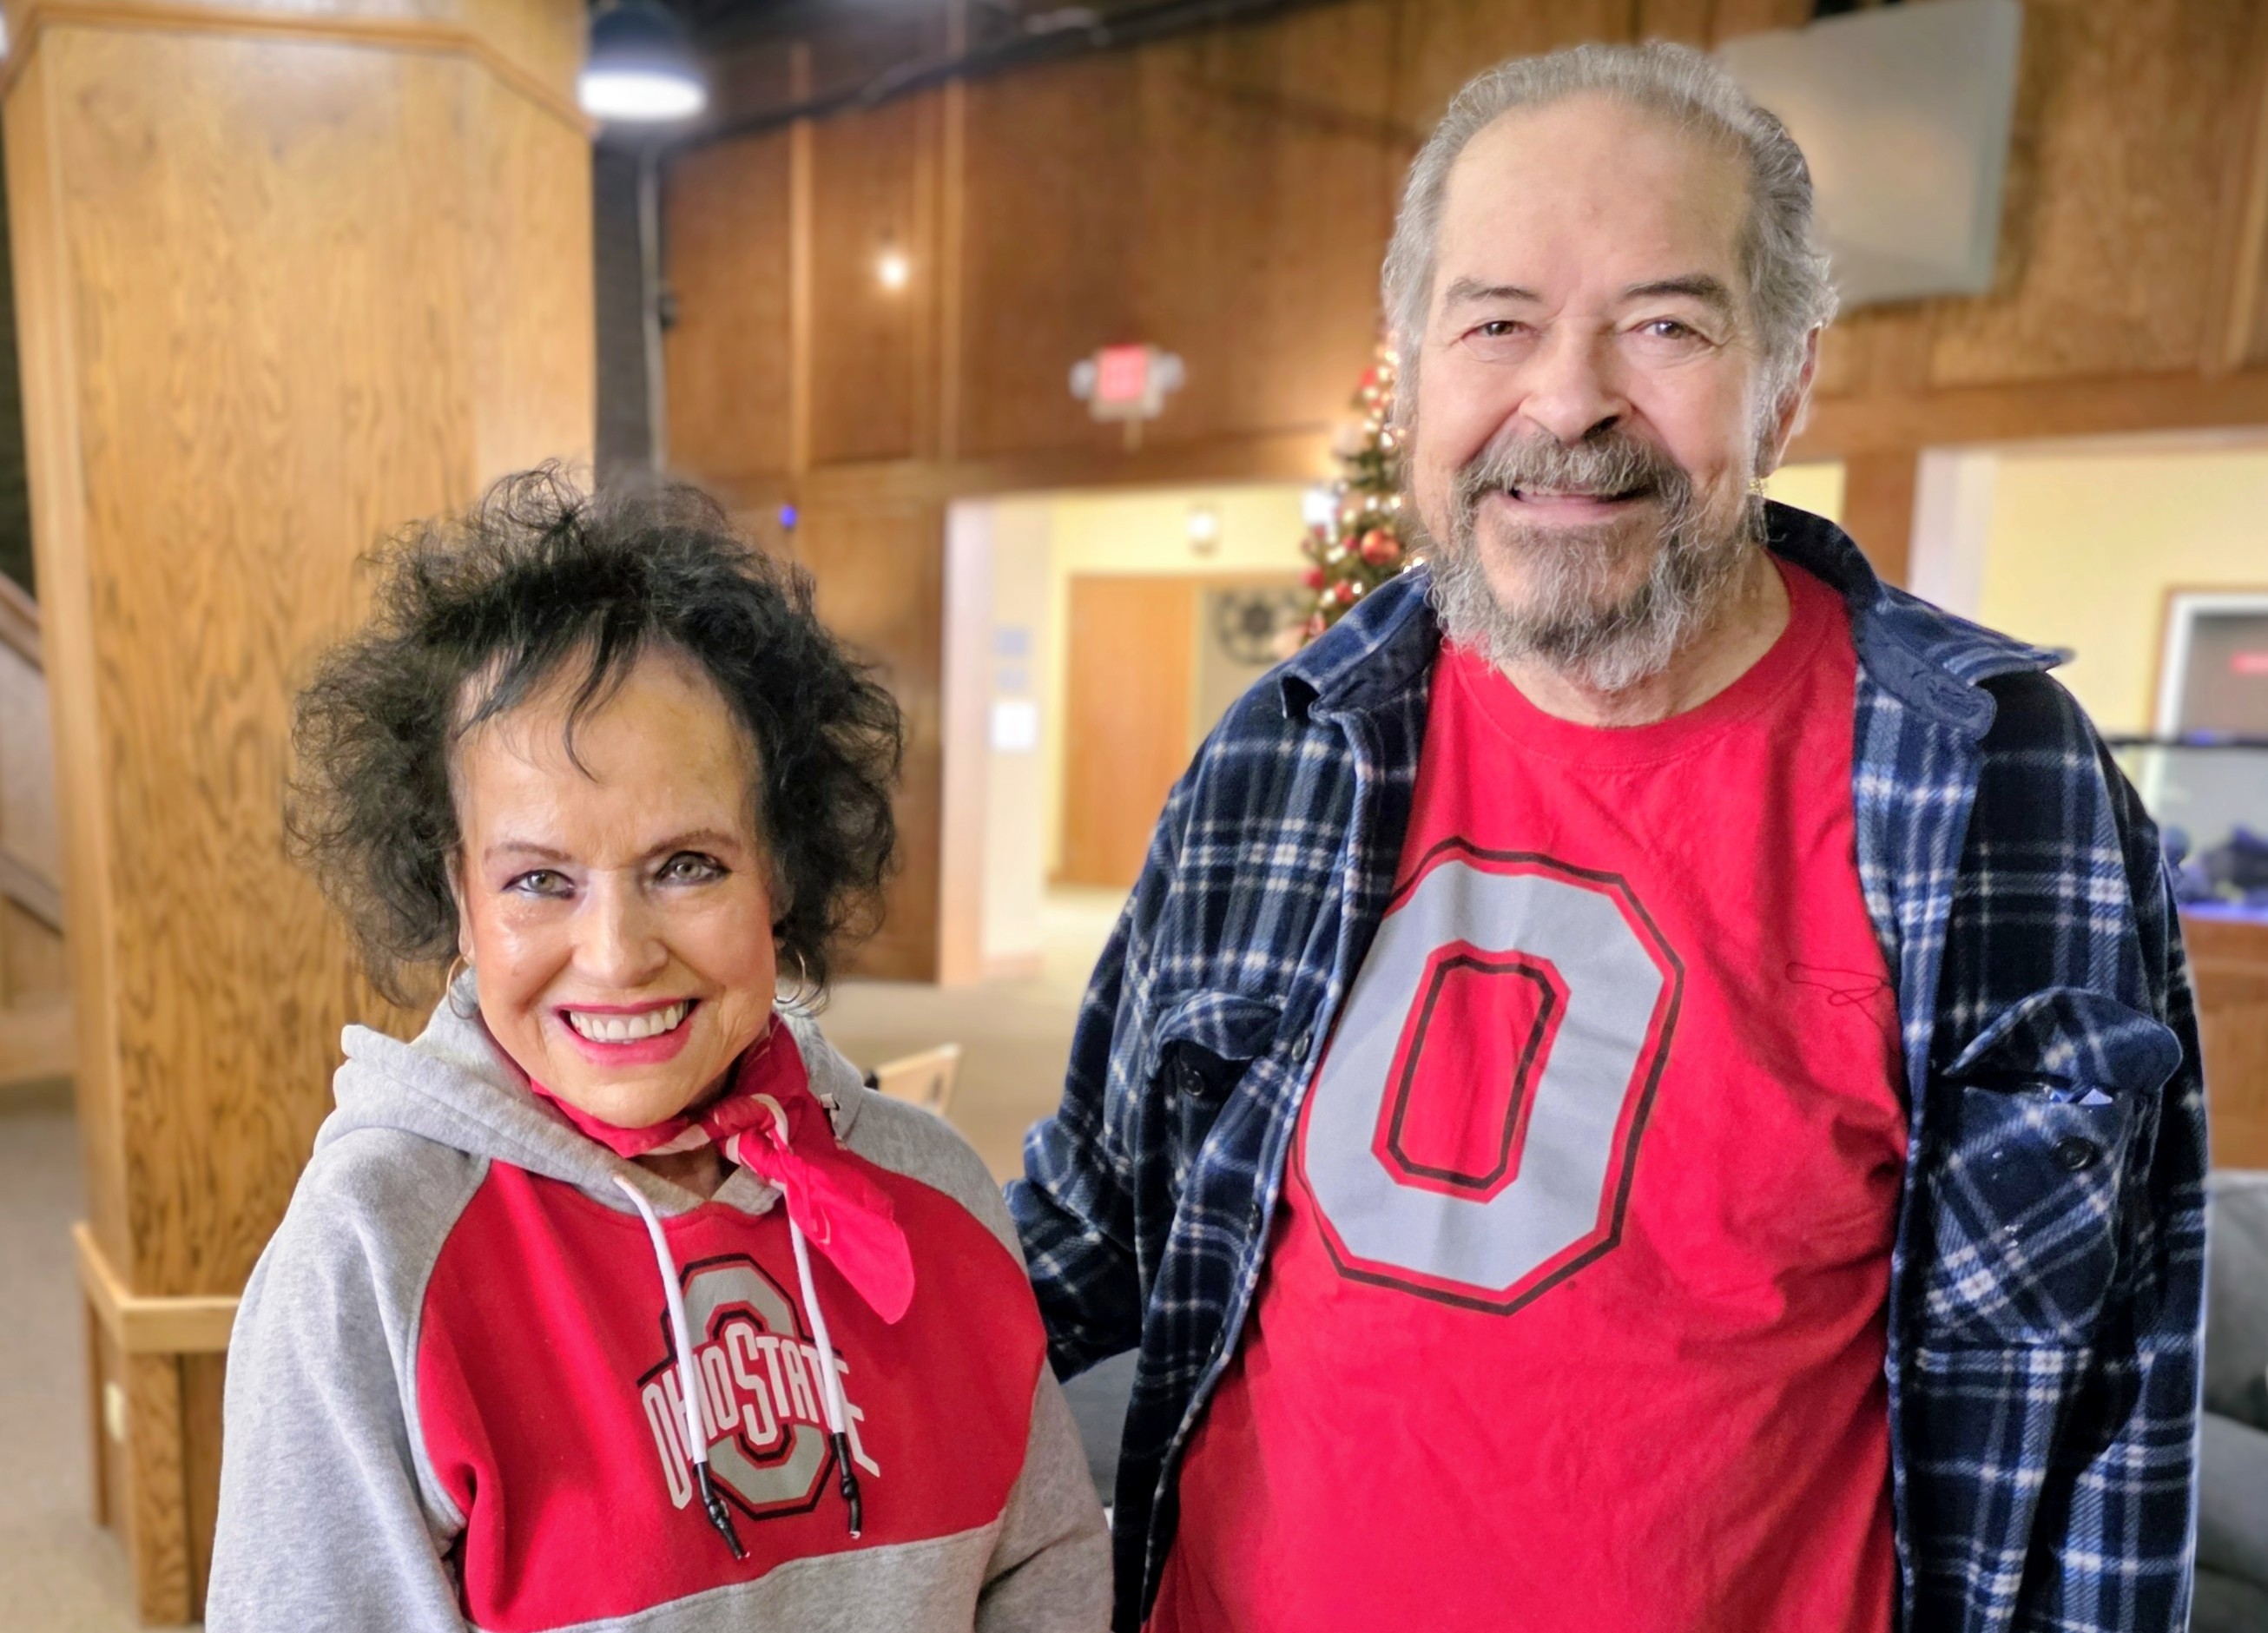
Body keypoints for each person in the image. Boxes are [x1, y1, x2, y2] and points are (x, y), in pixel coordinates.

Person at [1012, 41, 2207, 1633]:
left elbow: (2118, 1395)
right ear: (1414, 375)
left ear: (1786, 384)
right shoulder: (1282, 747)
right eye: (1497, 323)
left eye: (1666, 325)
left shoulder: (1996, 788)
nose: (1568, 400)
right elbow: (1089, 1221)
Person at [208, 471, 1109, 1632]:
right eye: (540, 879)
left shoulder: (934, 1189)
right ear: (458, 897)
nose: (617, 955)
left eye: (688, 866)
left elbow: (1044, 1572)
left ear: (779, 872)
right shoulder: (373, 1255)